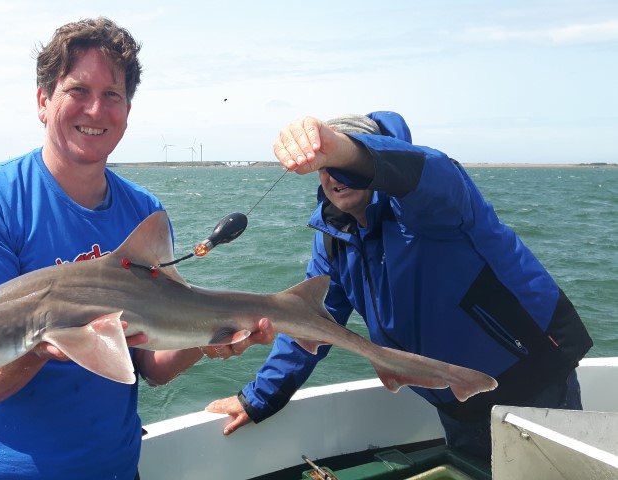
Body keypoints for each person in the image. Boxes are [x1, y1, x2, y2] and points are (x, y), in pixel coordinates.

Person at [0, 17, 274, 479]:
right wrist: (45, 342)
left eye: (112, 95)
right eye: (77, 90)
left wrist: (210, 339)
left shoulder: (143, 213)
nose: (95, 110)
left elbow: (152, 365)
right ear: (43, 101)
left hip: (113, 465)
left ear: (127, 110)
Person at [206, 111, 593, 460]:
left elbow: (431, 173)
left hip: (531, 379)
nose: (334, 177)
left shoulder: (431, 207)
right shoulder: (333, 236)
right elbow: (309, 322)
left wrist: (342, 149)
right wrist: (257, 398)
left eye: (342, 165)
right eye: (325, 168)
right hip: (451, 397)